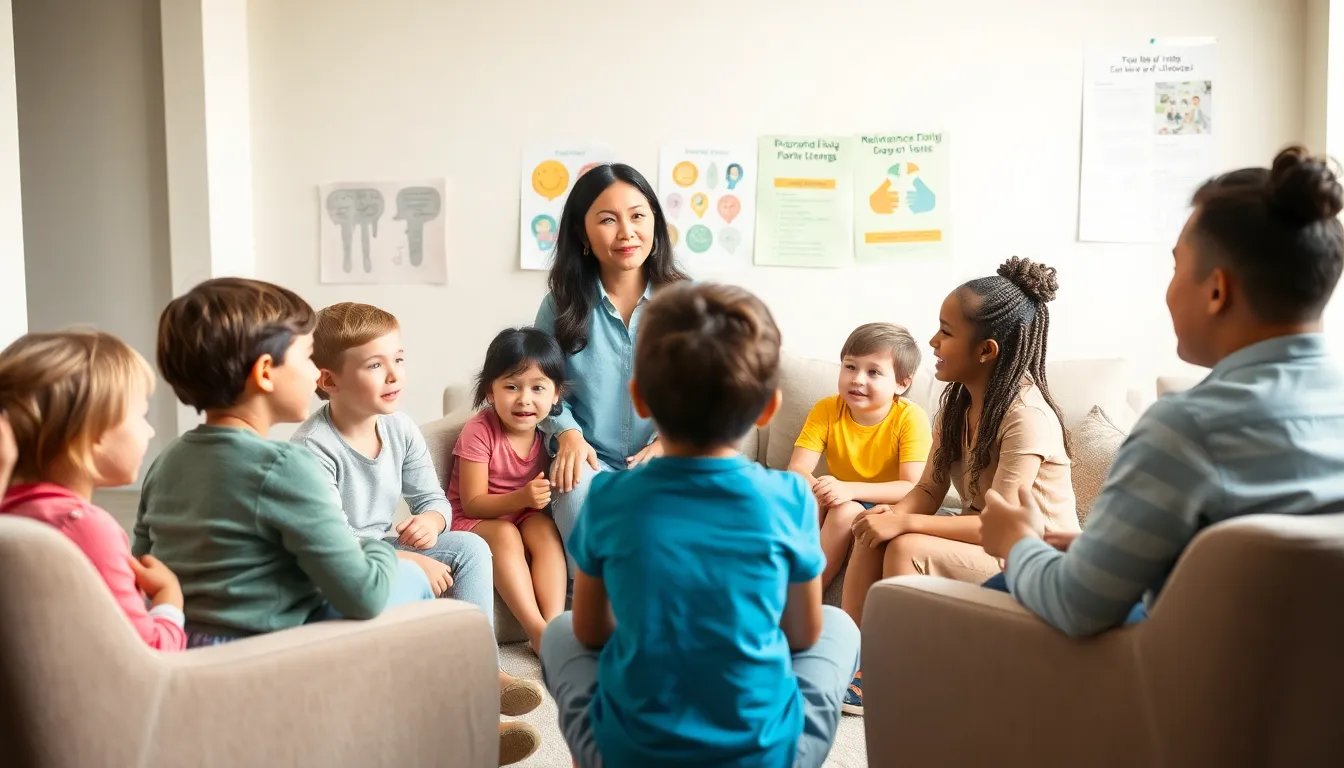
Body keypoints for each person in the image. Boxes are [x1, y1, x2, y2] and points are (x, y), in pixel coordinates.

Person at [980, 145, 1344, 637]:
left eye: (1176, 267)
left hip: (1199, 677)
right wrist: (1102, 553)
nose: (1169, 289)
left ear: (1216, 291)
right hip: (1308, 671)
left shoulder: (1188, 427)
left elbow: (1075, 606)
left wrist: (1018, 541)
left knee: (1001, 587)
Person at [540, 282, 861, 768]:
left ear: (639, 399)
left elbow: (590, 630)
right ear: (769, 407)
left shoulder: (608, 496)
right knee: (839, 626)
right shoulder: (790, 498)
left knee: (560, 632)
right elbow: (800, 635)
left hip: (630, 753)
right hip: (766, 756)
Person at [290, 303, 546, 731]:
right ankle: (464, 714)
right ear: (329, 380)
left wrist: (432, 521)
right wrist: (404, 560)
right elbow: (331, 543)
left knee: (470, 547)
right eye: (375, 365)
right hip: (334, 565)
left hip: (379, 547)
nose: (394, 375)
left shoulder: (399, 428)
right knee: (411, 572)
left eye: (399, 359)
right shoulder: (312, 449)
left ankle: (482, 669)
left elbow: (433, 499)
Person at [840, 256, 1078, 715]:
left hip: (1034, 556)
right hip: (982, 539)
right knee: (872, 529)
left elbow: (998, 524)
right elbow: (928, 491)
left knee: (905, 544)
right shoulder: (956, 405)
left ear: (986, 350)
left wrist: (903, 525)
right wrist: (890, 516)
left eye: (946, 332)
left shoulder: (1026, 417)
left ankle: (896, 674)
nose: (932, 341)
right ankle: (852, 659)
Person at [534, 162, 689, 573]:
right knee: (573, 487)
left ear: (655, 223)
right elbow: (539, 384)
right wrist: (566, 433)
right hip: (588, 456)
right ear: (582, 234)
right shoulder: (560, 304)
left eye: (637, 216)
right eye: (607, 220)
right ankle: (587, 599)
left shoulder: (687, 303)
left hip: (663, 455)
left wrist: (669, 442)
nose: (626, 232)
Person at [0, 329, 185, 651]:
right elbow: (148, 655)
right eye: (142, 415)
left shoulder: (10, 514)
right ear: (92, 433)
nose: (151, 431)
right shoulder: (84, 528)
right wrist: (169, 600)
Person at [447, 327, 568, 655]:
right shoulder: (479, 431)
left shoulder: (549, 433)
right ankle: (536, 629)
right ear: (491, 391)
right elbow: (472, 504)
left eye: (537, 388)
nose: (524, 399)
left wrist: (528, 502)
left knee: (544, 530)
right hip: (474, 519)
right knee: (504, 534)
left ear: (555, 394)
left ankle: (554, 625)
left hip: (522, 512)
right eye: (512, 387)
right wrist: (522, 498)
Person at [788, 322, 931, 590]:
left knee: (845, 511)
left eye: (873, 372)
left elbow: (911, 487)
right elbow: (797, 469)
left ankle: (807, 592)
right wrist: (823, 490)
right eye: (851, 366)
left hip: (886, 504)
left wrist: (848, 489)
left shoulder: (910, 418)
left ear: (902, 383)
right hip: (839, 494)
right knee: (810, 496)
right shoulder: (827, 409)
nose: (857, 379)